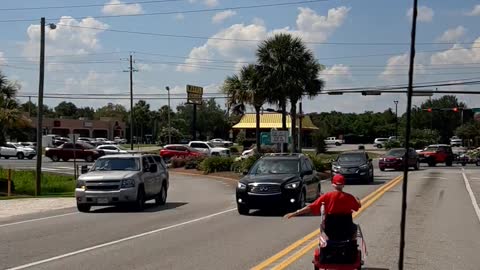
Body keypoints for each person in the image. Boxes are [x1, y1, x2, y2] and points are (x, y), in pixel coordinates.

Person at [284, 174, 361, 239]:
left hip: (330, 229)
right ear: (343, 185)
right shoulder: (349, 197)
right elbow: (357, 207)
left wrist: (294, 213)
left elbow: (310, 207)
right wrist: (358, 201)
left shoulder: (327, 196)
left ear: (333, 184)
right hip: (346, 229)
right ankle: (352, 246)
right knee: (355, 228)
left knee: (323, 227)